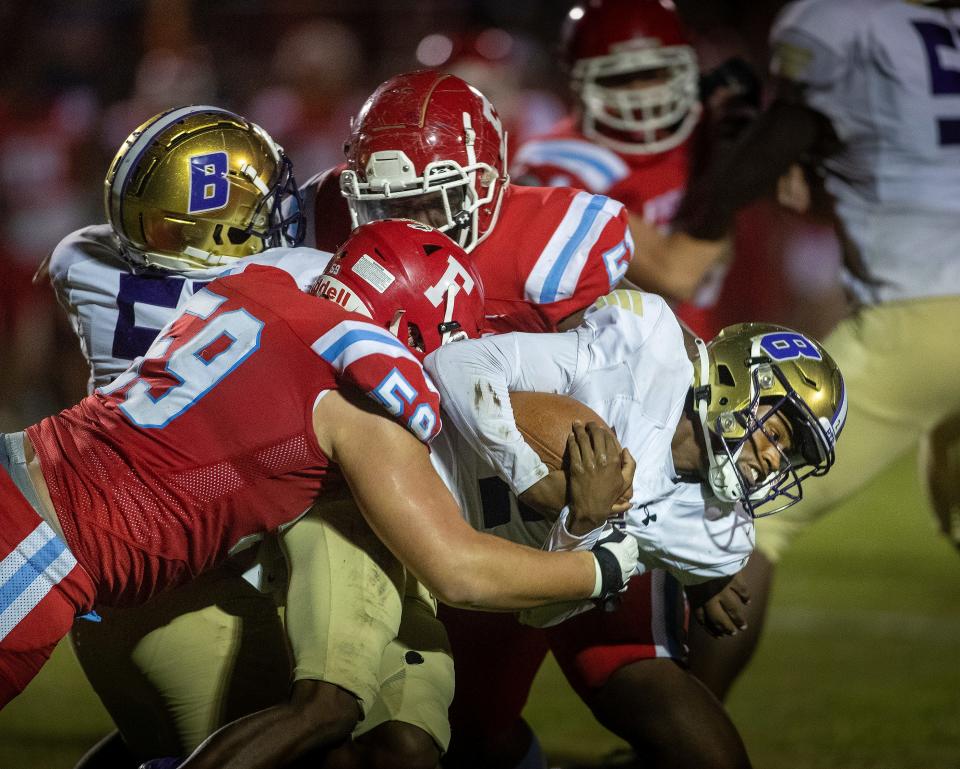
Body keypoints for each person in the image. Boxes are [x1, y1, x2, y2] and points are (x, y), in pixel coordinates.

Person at [4, 113, 641, 711]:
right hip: (60, 544)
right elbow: (456, 567)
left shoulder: (235, 282)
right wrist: (599, 561)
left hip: (38, 478)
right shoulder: (361, 372)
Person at [665, 0, 960, 700]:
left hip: (921, 315)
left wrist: (709, 201)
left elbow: (787, 135)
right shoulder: (942, 29)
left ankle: (685, 742)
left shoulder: (835, 20)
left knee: (748, 511)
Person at [426, 288, 847, 769]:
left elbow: (544, 607)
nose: (772, 461)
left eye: (788, 457)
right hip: (451, 494)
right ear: (739, 384)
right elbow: (458, 366)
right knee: (466, 734)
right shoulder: (644, 350)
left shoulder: (719, 538)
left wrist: (587, 525)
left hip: (520, 570)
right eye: (775, 434)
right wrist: (538, 485)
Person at [510, 0, 759, 338]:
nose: (642, 93)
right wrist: (736, 165)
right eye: (622, 77)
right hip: (609, 364)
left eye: (655, 74)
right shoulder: (559, 166)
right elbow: (677, 275)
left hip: (693, 346)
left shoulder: (700, 135)